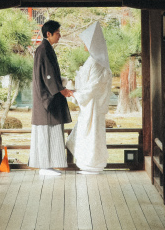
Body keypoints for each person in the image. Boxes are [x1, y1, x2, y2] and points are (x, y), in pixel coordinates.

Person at [65, 21, 112, 174]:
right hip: (89, 104)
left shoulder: (97, 63)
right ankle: (87, 163)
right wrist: (76, 92)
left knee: (92, 134)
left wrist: (76, 94)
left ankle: (92, 164)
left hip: (92, 105)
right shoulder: (93, 60)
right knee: (87, 133)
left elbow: (94, 86)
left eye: (85, 42)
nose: (83, 45)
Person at [29, 20, 73, 176]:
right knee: (46, 133)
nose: (60, 36)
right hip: (45, 100)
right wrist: (61, 90)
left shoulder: (45, 49)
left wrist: (60, 88)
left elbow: (50, 76)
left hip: (48, 97)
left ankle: (48, 165)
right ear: (49, 34)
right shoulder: (43, 50)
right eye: (58, 33)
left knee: (51, 133)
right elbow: (48, 77)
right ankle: (44, 167)